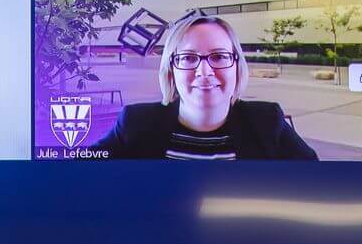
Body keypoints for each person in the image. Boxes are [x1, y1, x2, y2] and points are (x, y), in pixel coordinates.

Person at [94, 12, 318, 160]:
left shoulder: (267, 122)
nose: (204, 72)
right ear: (171, 70)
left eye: (219, 56)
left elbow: (318, 183)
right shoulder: (136, 123)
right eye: (189, 58)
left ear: (236, 66)